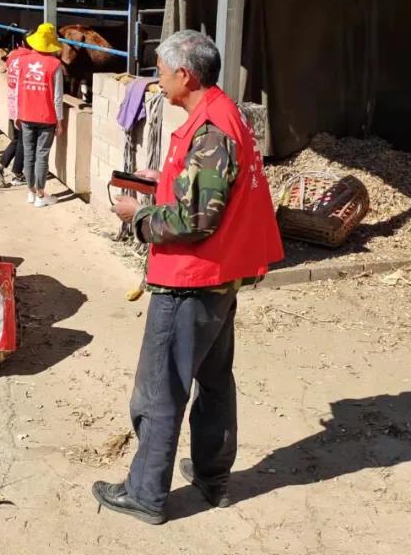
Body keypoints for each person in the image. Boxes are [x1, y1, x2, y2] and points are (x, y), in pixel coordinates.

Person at [93, 30, 283, 525]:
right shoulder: (223, 115)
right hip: (219, 277)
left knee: (160, 389)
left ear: (185, 75)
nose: (157, 79)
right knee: (214, 381)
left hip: (190, 281)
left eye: (160, 70)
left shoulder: (211, 131)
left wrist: (137, 215)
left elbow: (196, 219)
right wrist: (165, 183)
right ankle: (212, 476)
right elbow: (207, 192)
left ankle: (145, 493)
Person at [17, 23, 65, 207]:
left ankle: (30, 191)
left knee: (28, 154)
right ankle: (40, 194)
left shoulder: (22, 61)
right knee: (42, 155)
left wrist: (18, 112)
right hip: (46, 117)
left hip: (26, 114)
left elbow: (19, 89)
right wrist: (60, 121)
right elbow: (57, 97)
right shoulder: (55, 65)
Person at [0, 36, 29, 187]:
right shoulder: (28, 60)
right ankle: (17, 173)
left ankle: (0, 166)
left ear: (21, 43)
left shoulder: (13, 56)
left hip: (12, 103)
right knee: (23, 140)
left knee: (18, 139)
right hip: (22, 105)